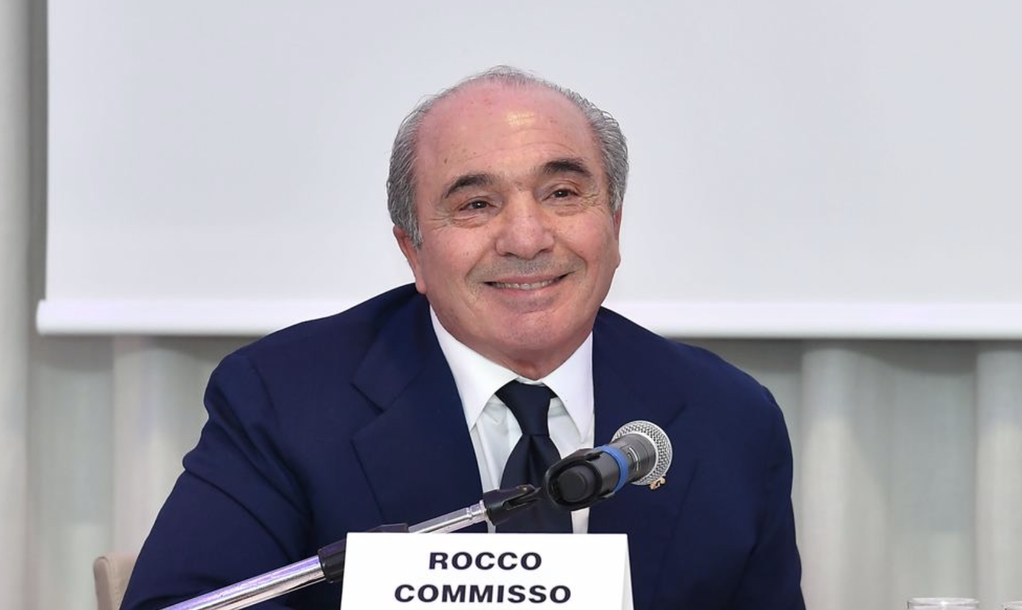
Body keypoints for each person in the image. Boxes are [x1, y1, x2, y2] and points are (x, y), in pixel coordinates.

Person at [122, 66, 805, 610]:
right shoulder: (284, 401)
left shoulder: (727, 419)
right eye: (477, 204)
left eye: (563, 194)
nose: (527, 238)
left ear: (615, 227)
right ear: (413, 252)